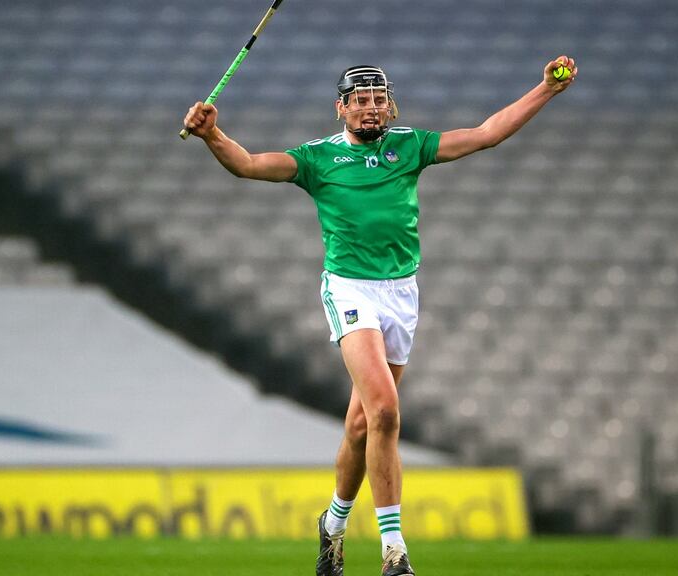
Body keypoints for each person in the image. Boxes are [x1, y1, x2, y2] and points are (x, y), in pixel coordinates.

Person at [183, 57, 577, 576]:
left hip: (401, 293)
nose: (372, 109)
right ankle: (395, 552)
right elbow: (251, 164)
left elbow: (485, 134)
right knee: (386, 410)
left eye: (378, 100)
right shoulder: (318, 158)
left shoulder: (409, 146)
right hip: (350, 289)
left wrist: (545, 90)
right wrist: (214, 136)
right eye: (361, 101)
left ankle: (333, 524)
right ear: (341, 107)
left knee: (362, 423)